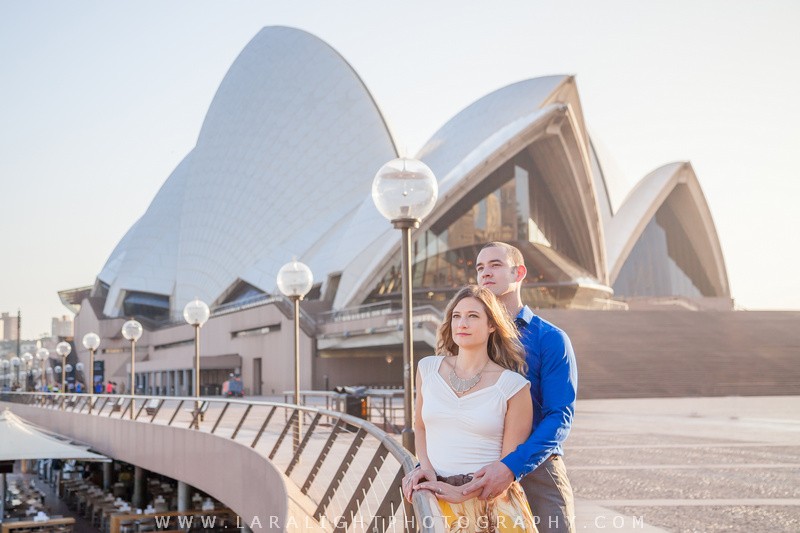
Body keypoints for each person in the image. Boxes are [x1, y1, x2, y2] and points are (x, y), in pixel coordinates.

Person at [402, 285, 537, 532]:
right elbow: (420, 427)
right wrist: (427, 470)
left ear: (492, 325)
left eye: (472, 316)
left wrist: (460, 492)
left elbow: (507, 467)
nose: (462, 323)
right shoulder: (428, 369)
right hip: (437, 500)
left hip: (491, 508)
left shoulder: (514, 387)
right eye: (456, 316)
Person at [465, 241, 578, 532]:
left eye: (495, 265)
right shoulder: (469, 336)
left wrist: (512, 466)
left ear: (519, 273)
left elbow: (559, 417)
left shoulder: (550, 338)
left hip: (537, 470)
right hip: (477, 467)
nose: (485, 273)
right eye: (480, 268)